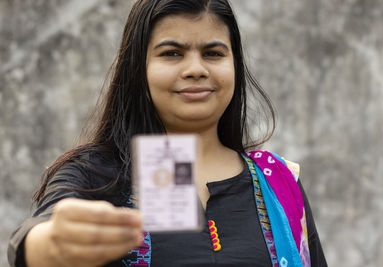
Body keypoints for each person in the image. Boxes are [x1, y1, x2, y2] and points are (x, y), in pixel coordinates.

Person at [8, 0, 327, 266]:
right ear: (138, 69)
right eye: (171, 53)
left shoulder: (279, 181)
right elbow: (39, 233)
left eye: (213, 53)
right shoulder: (96, 174)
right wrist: (47, 244)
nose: (196, 69)